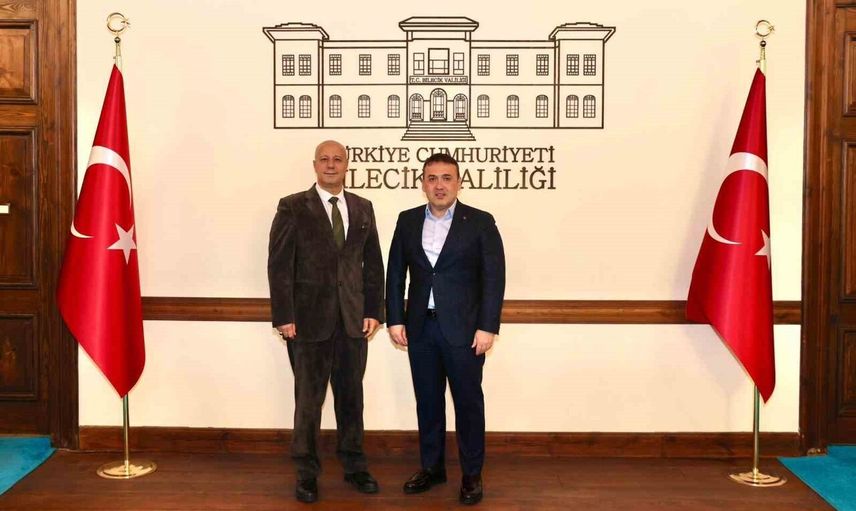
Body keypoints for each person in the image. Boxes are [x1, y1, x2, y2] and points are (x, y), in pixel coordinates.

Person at [268, 140, 385, 503]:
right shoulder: (292, 206)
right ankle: (306, 472)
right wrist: (284, 316)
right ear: (315, 165)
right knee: (308, 402)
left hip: (353, 322)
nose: (331, 165)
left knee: (351, 399)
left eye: (337, 159)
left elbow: (373, 264)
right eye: (324, 159)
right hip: (307, 323)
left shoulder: (363, 207)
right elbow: (279, 266)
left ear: (347, 165)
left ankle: (355, 465)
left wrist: (373, 310)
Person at [386, 152, 506, 505]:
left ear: (459, 183)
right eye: (432, 178)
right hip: (420, 328)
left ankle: (472, 474)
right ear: (423, 184)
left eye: (446, 178)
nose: (439, 185)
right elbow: (395, 274)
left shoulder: (480, 222)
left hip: (465, 332)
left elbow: (494, 278)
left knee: (468, 404)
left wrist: (487, 327)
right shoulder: (407, 220)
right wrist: (395, 318)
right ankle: (432, 468)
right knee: (428, 402)